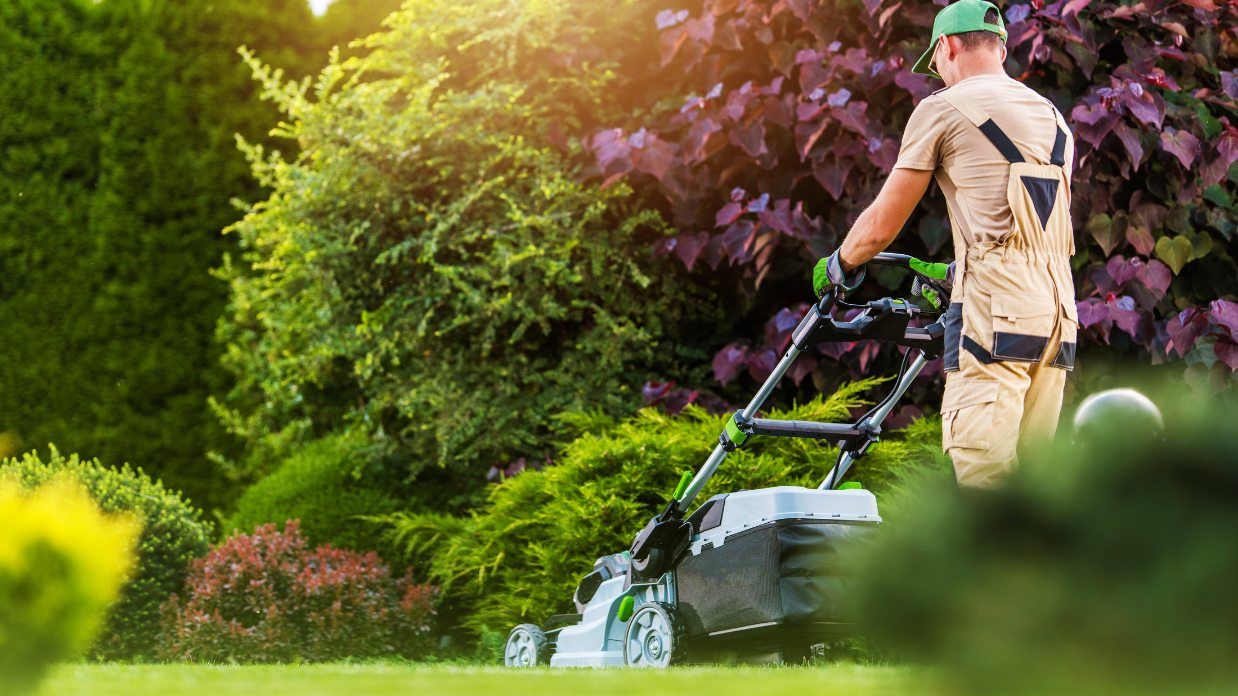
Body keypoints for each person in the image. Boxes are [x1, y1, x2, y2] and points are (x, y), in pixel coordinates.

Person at [811, 0, 1077, 488]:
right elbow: (1027, 223)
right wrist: (959, 270)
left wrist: (840, 263)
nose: (938, 73)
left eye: (935, 62)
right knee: (1035, 487)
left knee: (985, 476)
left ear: (947, 46)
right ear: (999, 47)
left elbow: (880, 227)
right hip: (1058, 313)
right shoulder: (1053, 116)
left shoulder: (942, 109)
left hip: (997, 314)